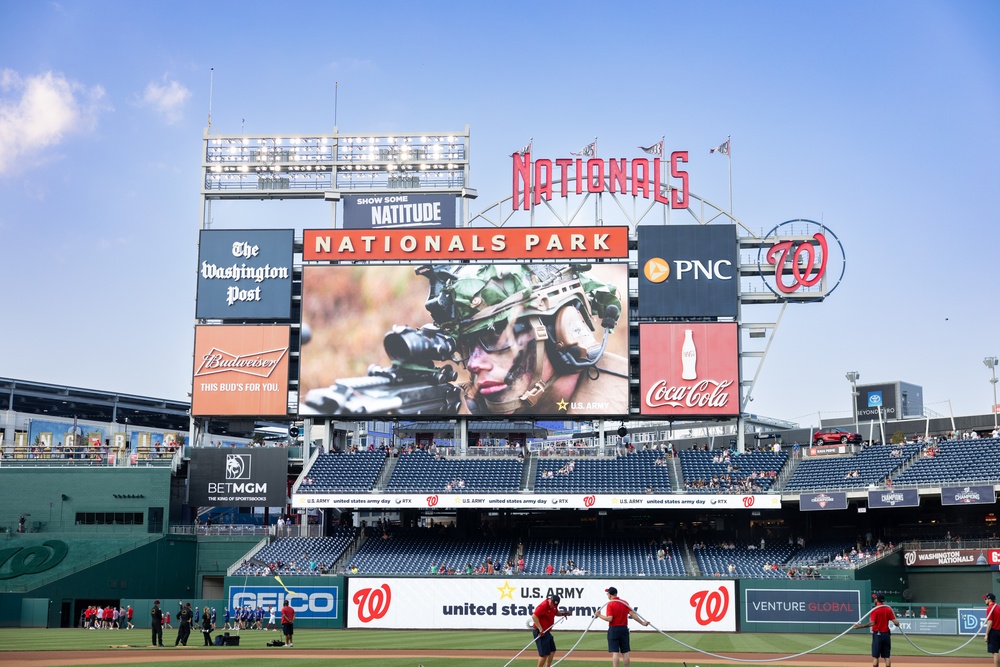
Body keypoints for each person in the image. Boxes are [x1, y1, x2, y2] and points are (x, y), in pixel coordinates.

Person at [421, 263, 628, 415]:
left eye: (496, 336)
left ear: (564, 330)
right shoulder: (453, 407)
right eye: (466, 344)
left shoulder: (630, 399)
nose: (474, 363)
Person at [594, 586, 649, 667]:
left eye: (607, 594)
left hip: (614, 629)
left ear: (610, 594)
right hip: (624, 629)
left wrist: (599, 615)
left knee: (615, 653)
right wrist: (642, 623)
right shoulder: (624, 602)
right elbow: (633, 614)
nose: (607, 595)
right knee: (625, 652)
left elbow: (610, 619)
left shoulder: (610, 604)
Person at [853, 593, 900, 667]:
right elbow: (896, 623)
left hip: (878, 635)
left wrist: (860, 626)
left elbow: (872, 623)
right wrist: (897, 624)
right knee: (886, 656)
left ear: (877, 600)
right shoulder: (888, 609)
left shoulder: (875, 610)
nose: (874, 600)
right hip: (886, 635)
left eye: (875, 598)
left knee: (875, 656)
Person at [531, 593, 572, 667]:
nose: (552, 605)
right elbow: (534, 616)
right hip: (540, 631)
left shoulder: (554, 606)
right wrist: (540, 629)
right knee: (544, 654)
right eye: (552, 603)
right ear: (550, 599)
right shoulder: (543, 606)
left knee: (552, 650)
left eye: (555, 605)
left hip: (547, 631)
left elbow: (556, 612)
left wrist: (564, 613)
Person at [985, 593, 1000, 667]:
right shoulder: (999, 607)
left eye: (986, 599)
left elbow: (990, 622)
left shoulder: (990, 608)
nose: (985, 600)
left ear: (989, 599)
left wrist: (986, 634)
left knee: (995, 652)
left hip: (994, 632)